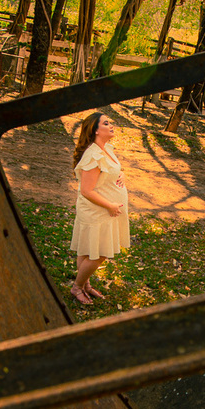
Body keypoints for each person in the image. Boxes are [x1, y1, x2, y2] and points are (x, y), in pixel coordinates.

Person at [69, 112, 130, 305]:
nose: (111, 125)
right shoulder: (93, 155)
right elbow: (86, 190)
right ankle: (77, 287)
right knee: (99, 252)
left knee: (88, 250)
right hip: (97, 210)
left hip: (104, 210)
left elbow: (112, 170)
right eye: (106, 123)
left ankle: (85, 284)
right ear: (96, 130)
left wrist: (122, 174)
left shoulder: (106, 149)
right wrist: (110, 205)